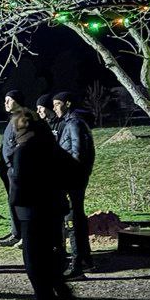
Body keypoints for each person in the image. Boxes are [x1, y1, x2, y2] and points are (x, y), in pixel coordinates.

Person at [7, 109, 77, 300]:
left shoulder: (23, 151)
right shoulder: (51, 147)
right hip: (54, 209)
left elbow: (17, 188)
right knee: (52, 255)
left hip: (31, 213)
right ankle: (63, 299)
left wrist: (14, 204)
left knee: (34, 261)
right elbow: (73, 170)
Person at [53, 90, 96, 277]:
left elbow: (77, 153)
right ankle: (86, 261)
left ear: (67, 103)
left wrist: (68, 177)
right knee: (77, 218)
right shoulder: (72, 123)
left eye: (57, 104)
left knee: (72, 221)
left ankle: (77, 265)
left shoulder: (74, 124)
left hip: (72, 180)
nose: (54, 108)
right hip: (75, 179)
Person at [0, 89, 26, 247]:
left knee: (19, 202)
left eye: (9, 99)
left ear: (18, 101)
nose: (5, 103)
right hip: (8, 169)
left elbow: (22, 145)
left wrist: (13, 162)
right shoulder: (12, 119)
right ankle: (16, 231)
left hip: (16, 169)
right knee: (12, 201)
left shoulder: (22, 119)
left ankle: (22, 235)